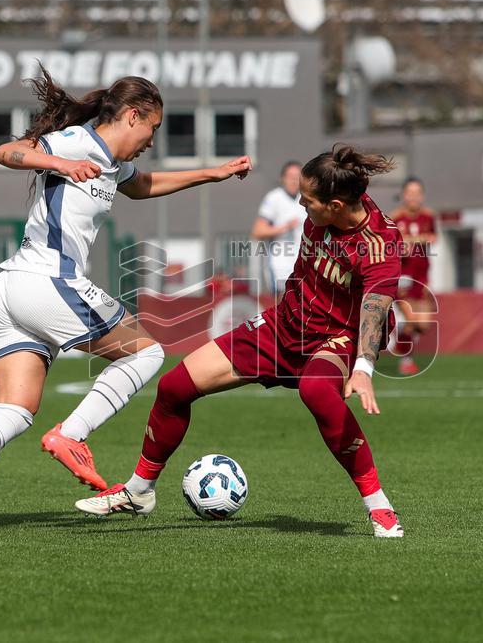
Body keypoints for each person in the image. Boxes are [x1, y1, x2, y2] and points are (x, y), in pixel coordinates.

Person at [0, 70, 252, 534]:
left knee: (14, 410)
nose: (152, 140)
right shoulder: (75, 142)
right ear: (133, 115)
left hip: (15, 289)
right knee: (148, 352)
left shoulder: (114, 164)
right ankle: (70, 435)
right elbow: (6, 152)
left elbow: (145, 185)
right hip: (46, 281)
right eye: (152, 127)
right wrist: (60, 164)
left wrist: (212, 174)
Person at [76, 145, 405, 539]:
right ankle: (138, 491)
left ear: (335, 205)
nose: (301, 205)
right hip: (285, 325)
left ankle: (379, 507)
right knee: (173, 387)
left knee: (317, 393)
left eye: (308, 200)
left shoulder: (379, 244)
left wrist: (364, 367)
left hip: (337, 339)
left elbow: (376, 306)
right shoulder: (337, 199)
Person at [390, 177, 436, 376]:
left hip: (422, 277)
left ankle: (400, 339)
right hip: (403, 278)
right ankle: (406, 360)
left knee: (422, 325)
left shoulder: (428, 216)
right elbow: (390, 246)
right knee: (410, 318)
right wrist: (402, 247)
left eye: (417, 193)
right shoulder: (395, 218)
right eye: (410, 193)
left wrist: (415, 241)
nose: (414, 197)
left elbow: (434, 237)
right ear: (403, 195)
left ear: (422, 196)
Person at [250, 161, 305, 295]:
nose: (293, 181)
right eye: (290, 176)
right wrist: (284, 227)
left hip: (304, 259)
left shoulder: (307, 198)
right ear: (283, 178)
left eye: (297, 177)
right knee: (284, 300)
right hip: (280, 260)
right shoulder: (274, 198)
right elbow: (257, 232)